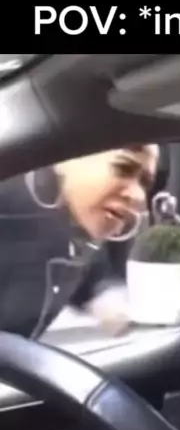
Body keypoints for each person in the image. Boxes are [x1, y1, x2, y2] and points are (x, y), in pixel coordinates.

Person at [0, 144, 159, 339]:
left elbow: (92, 270)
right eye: (123, 168)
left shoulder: (80, 231)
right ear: (64, 161)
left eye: (144, 183)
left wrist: (103, 294)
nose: (138, 196)